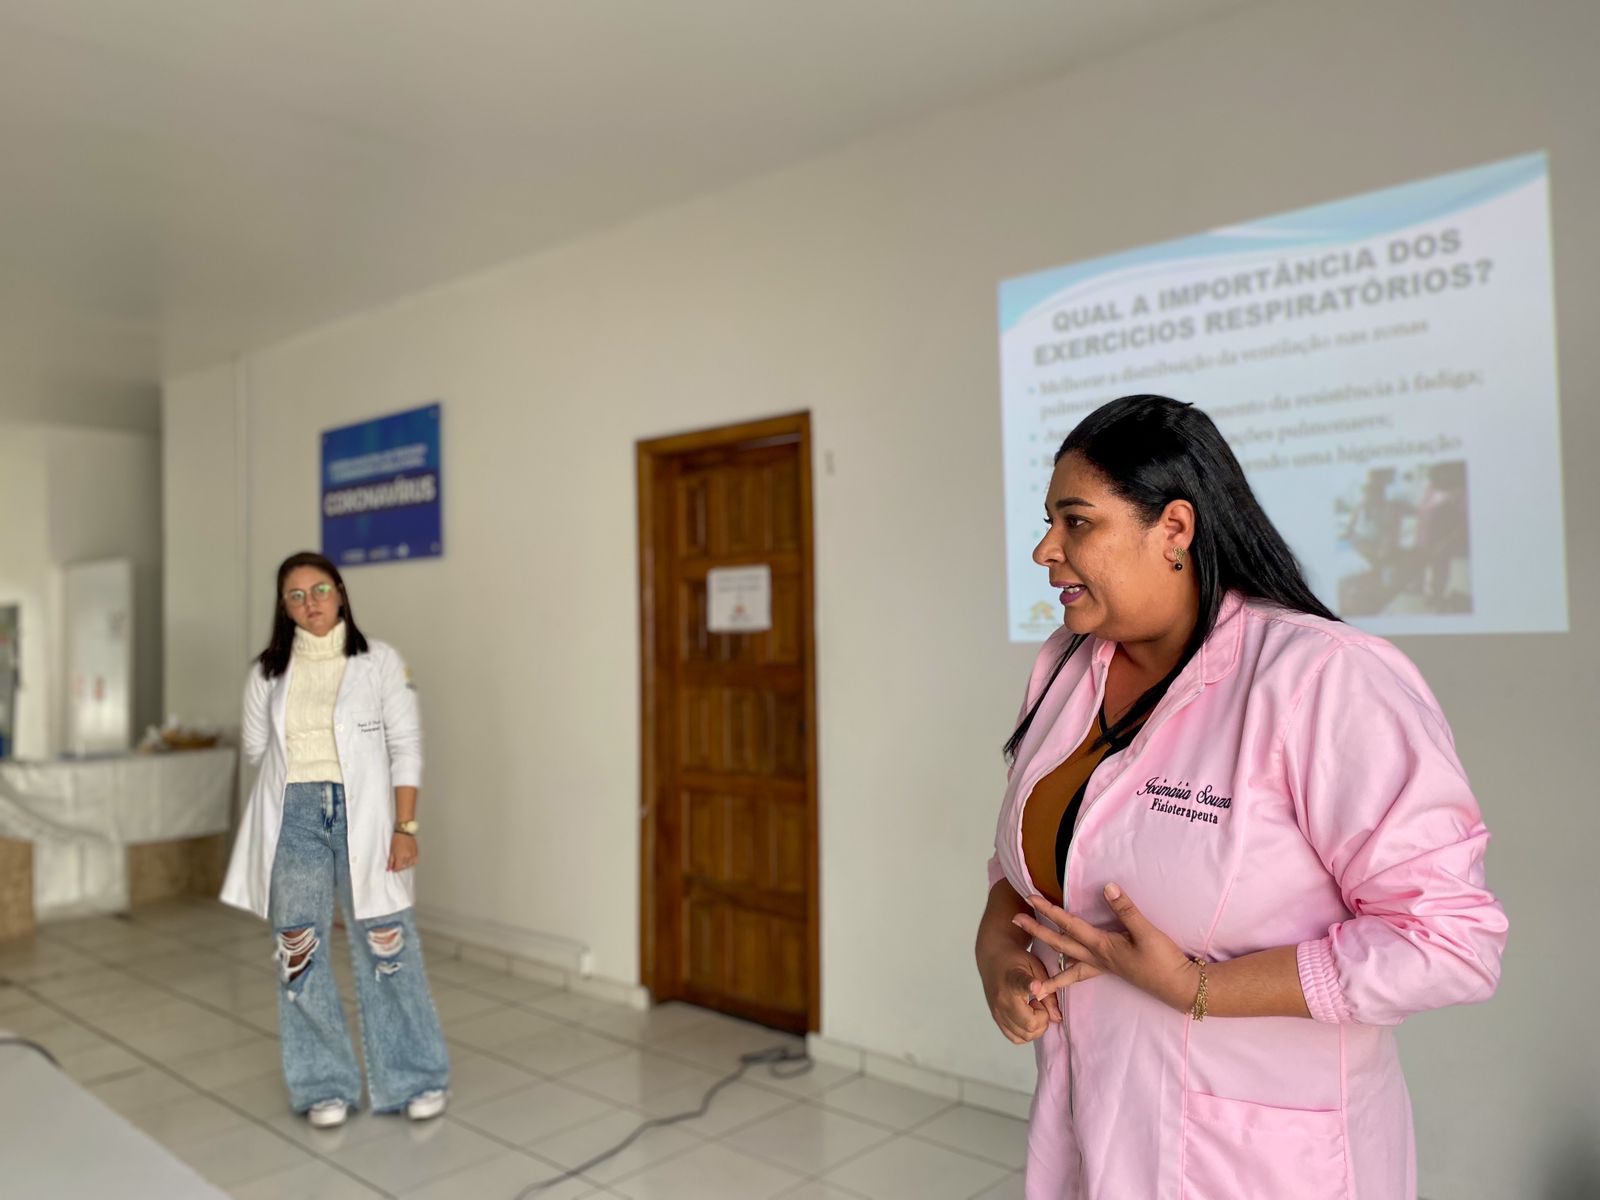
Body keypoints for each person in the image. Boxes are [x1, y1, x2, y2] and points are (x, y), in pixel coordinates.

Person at [975, 395, 1506, 1199]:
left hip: (1261, 1156)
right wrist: (998, 957)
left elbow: (1449, 942)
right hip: (1092, 1118)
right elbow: (1028, 860)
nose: (1046, 550)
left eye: (1076, 521)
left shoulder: (1322, 678)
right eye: (1048, 520)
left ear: (1175, 530)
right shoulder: (1064, 665)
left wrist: (1200, 989)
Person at [222, 551, 450, 1128]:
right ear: (284, 606)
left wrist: (405, 827)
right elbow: (256, 750)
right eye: (295, 596)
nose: (310, 604)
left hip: (368, 817)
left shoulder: (380, 662)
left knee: (387, 944)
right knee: (299, 953)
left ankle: (415, 1076)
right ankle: (324, 1084)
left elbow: (407, 749)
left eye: (319, 590)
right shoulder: (266, 674)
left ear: (341, 592)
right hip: (294, 818)